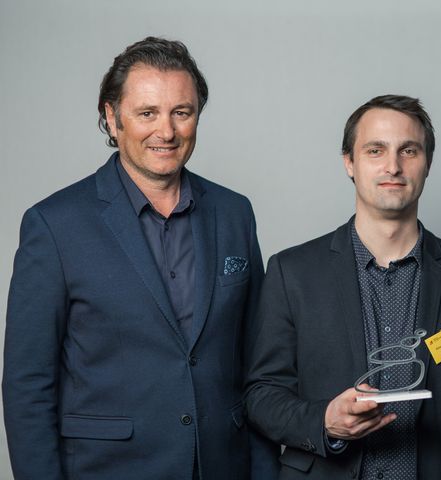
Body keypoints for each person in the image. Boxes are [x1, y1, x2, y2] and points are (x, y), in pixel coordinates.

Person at [3, 37, 278, 479]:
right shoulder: (54, 225)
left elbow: (259, 364)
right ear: (112, 118)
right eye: (147, 113)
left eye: (181, 113)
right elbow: (27, 386)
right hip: (108, 468)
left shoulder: (234, 213)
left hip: (224, 465)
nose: (166, 132)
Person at [244, 94, 441, 479]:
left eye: (409, 150)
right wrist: (324, 422)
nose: (393, 166)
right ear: (349, 163)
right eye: (375, 150)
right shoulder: (292, 272)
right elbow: (261, 395)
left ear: (428, 163)